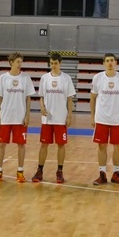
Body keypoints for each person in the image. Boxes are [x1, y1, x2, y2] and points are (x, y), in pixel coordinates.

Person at [32, 52, 76, 184]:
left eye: (55, 63)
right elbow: (41, 96)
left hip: (60, 118)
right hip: (47, 118)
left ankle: (60, 172)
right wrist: (42, 107)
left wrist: (69, 116)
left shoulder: (66, 78)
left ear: (60, 63)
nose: (53, 65)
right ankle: (39, 170)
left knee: (61, 145)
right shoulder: (44, 78)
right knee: (43, 144)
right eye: (51, 63)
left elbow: (69, 99)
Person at [0, 52, 36, 183]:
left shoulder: (26, 78)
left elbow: (28, 99)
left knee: (21, 144)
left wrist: (27, 115)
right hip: (5, 116)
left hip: (20, 117)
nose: (20, 64)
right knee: (1, 144)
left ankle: (20, 171)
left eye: (21, 62)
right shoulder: (3, 78)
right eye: (17, 62)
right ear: (11, 62)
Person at [90, 53, 119, 185]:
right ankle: (102, 174)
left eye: (112, 60)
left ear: (116, 62)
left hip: (118, 119)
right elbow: (92, 98)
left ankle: (116, 174)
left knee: (118, 147)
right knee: (102, 146)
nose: (110, 63)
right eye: (107, 61)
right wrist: (92, 116)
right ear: (103, 63)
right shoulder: (98, 78)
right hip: (101, 118)